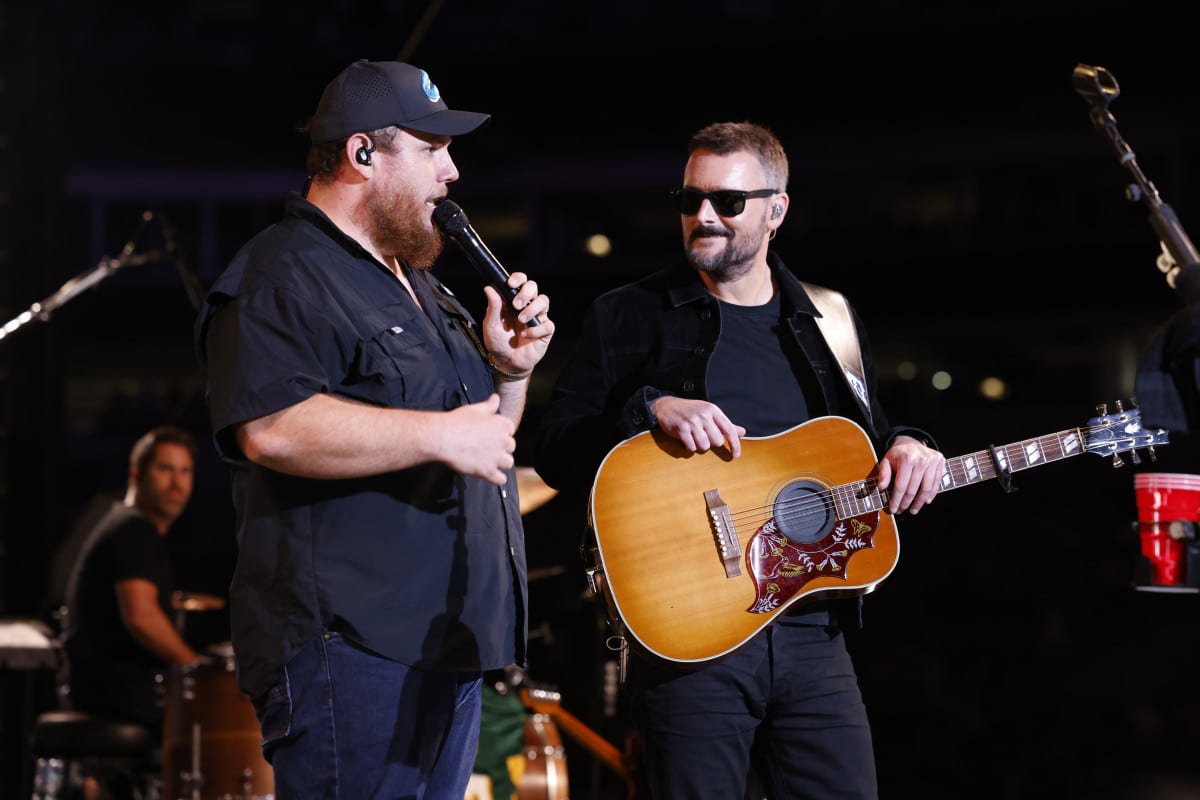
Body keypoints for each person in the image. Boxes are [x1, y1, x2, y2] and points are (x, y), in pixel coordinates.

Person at [534, 121, 946, 799]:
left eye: (727, 202)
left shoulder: (831, 318)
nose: (703, 217)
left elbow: (867, 438)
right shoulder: (627, 315)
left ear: (776, 210)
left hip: (817, 639)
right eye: (689, 199)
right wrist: (648, 410)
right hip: (690, 647)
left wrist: (913, 443)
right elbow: (555, 448)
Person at [194, 58, 554, 798]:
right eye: (431, 150)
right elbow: (270, 427)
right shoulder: (282, 274)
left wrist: (510, 373)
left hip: (444, 641)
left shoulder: (420, 284)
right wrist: (436, 435)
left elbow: (485, 442)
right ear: (363, 155)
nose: (451, 173)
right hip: (350, 648)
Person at [63, 425, 201, 737]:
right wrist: (194, 667)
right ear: (137, 474)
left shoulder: (125, 525)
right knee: (213, 719)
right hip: (114, 696)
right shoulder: (133, 528)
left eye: (185, 471)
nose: (177, 483)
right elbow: (141, 617)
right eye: (165, 469)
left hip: (102, 691)